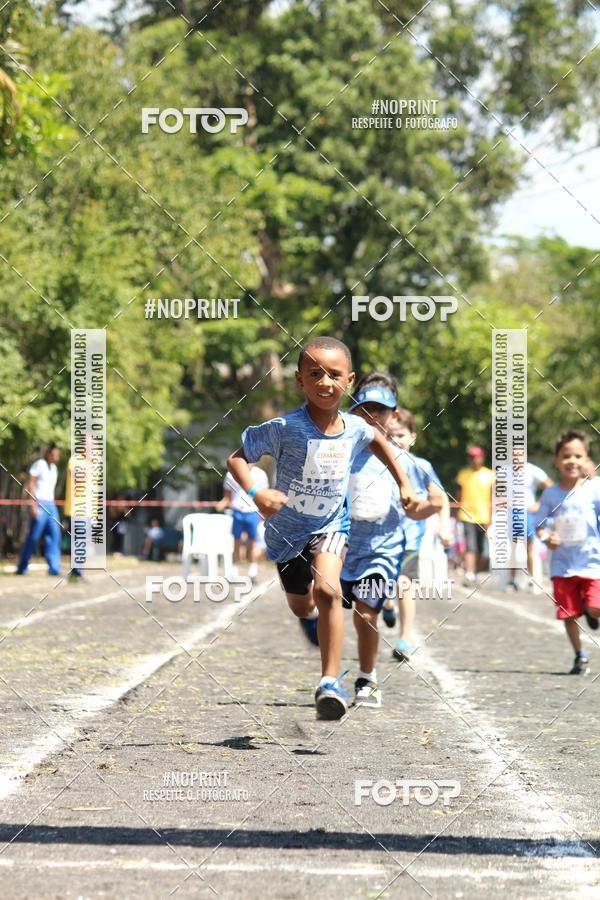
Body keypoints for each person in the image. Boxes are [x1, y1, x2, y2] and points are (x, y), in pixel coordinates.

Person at [226, 336, 419, 721]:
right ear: (300, 379)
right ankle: (312, 619)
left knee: (329, 590)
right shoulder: (284, 427)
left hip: (331, 524)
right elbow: (237, 458)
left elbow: (379, 440)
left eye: (334, 374)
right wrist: (257, 491)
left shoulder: (354, 427)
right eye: (315, 374)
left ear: (349, 380)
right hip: (285, 533)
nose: (325, 382)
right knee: (302, 606)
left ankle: (330, 682)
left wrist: (405, 483)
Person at [341, 379, 441, 708]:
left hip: (384, 551)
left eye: (379, 411)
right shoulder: (342, 452)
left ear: (393, 416)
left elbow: (419, 510)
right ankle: (335, 676)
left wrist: (434, 505)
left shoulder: (409, 463)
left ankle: (367, 679)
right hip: (342, 549)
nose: (371, 416)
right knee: (340, 610)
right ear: (352, 411)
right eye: (364, 409)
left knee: (366, 614)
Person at [385, 408, 447, 660]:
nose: (395, 441)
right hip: (380, 536)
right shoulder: (375, 464)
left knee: (404, 583)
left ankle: (404, 637)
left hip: (411, 535)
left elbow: (440, 497)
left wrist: (443, 527)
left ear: (412, 437)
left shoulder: (422, 466)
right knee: (381, 585)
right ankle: (387, 606)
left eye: (400, 435)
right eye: (389, 436)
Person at [536, 429, 600, 675]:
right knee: (568, 614)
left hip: (592, 562)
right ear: (556, 460)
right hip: (562, 566)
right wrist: (546, 538)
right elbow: (539, 525)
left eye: (577, 456)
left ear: (586, 460)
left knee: (595, 608)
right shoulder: (551, 494)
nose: (571, 461)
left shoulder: (594, 489)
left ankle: (589, 608)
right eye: (565, 456)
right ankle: (579, 655)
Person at [215, 463, 269, 582]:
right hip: (237, 511)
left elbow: (264, 495)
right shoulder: (231, 474)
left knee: (252, 543)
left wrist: (263, 512)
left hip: (253, 512)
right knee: (236, 542)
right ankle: (233, 571)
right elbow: (227, 497)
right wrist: (222, 504)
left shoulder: (260, 474)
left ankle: (252, 571)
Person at [17, 443, 63, 577]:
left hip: (51, 504)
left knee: (54, 535)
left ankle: (54, 567)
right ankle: (22, 566)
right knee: (34, 536)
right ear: (49, 454)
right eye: (55, 454)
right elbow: (30, 484)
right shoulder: (40, 464)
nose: (57, 457)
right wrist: (33, 504)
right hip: (40, 503)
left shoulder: (54, 468)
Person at [508, 461, 553, 591]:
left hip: (527, 513)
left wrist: (539, 504)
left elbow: (549, 486)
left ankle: (531, 579)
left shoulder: (533, 470)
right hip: (512, 513)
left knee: (529, 546)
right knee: (512, 547)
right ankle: (512, 580)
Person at [455, 447, 494, 585]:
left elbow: (492, 497)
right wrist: (456, 514)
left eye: (476, 456)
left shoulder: (490, 475)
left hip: (484, 517)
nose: (473, 459)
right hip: (466, 515)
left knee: (481, 549)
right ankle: (470, 573)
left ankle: (475, 572)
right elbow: (458, 495)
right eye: (471, 457)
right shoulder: (463, 474)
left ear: (482, 457)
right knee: (471, 546)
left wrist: (491, 517)